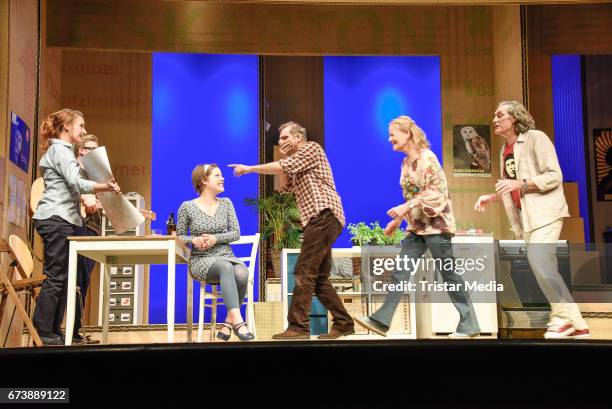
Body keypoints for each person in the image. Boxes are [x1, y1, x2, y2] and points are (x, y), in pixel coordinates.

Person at [354, 115, 481, 339]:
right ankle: (381, 320)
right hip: (417, 228)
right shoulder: (405, 164)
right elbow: (413, 197)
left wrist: (405, 207)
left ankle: (469, 324)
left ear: (407, 134)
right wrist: (398, 220)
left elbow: (436, 193)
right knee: (400, 272)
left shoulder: (427, 158)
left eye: (393, 134)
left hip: (436, 227)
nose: (389, 138)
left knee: (449, 274)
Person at [475, 100, 590, 339]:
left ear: (515, 118)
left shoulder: (536, 138)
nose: (495, 120)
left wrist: (521, 184)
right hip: (526, 219)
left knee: (540, 261)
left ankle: (561, 319)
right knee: (542, 267)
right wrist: (493, 197)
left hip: (545, 213)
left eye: (500, 115)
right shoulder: (504, 150)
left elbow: (554, 176)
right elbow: (513, 186)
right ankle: (576, 323)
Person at [230, 121, 355, 340]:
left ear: (299, 137)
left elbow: (283, 166)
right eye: (280, 139)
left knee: (303, 272)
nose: (281, 142)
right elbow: (283, 191)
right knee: (318, 278)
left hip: (323, 215)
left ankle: (298, 327)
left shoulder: (311, 148)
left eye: (285, 138)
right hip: (322, 221)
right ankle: (344, 323)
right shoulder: (298, 169)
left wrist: (250, 169)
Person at [33, 109, 121, 346]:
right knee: (57, 277)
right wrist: (104, 186)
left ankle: (54, 330)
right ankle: (43, 331)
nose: (83, 131)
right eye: (80, 126)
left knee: (66, 277)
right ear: (67, 127)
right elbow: (77, 182)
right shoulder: (60, 151)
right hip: (56, 218)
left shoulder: (64, 152)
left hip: (66, 220)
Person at [177, 164, 254, 341]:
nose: (223, 178)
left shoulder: (226, 203)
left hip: (225, 254)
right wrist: (193, 240)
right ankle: (239, 323)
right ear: (203, 180)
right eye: (217, 175)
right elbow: (180, 235)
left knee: (242, 273)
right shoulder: (187, 207)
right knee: (226, 267)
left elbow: (235, 233)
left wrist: (216, 238)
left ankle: (227, 324)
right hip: (201, 259)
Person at [71, 134, 104, 344]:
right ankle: (71, 333)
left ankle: (75, 331)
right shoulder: (75, 170)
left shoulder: (93, 175)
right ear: (81, 150)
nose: (96, 152)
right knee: (78, 280)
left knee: (83, 282)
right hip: (81, 229)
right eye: (92, 148)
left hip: (91, 229)